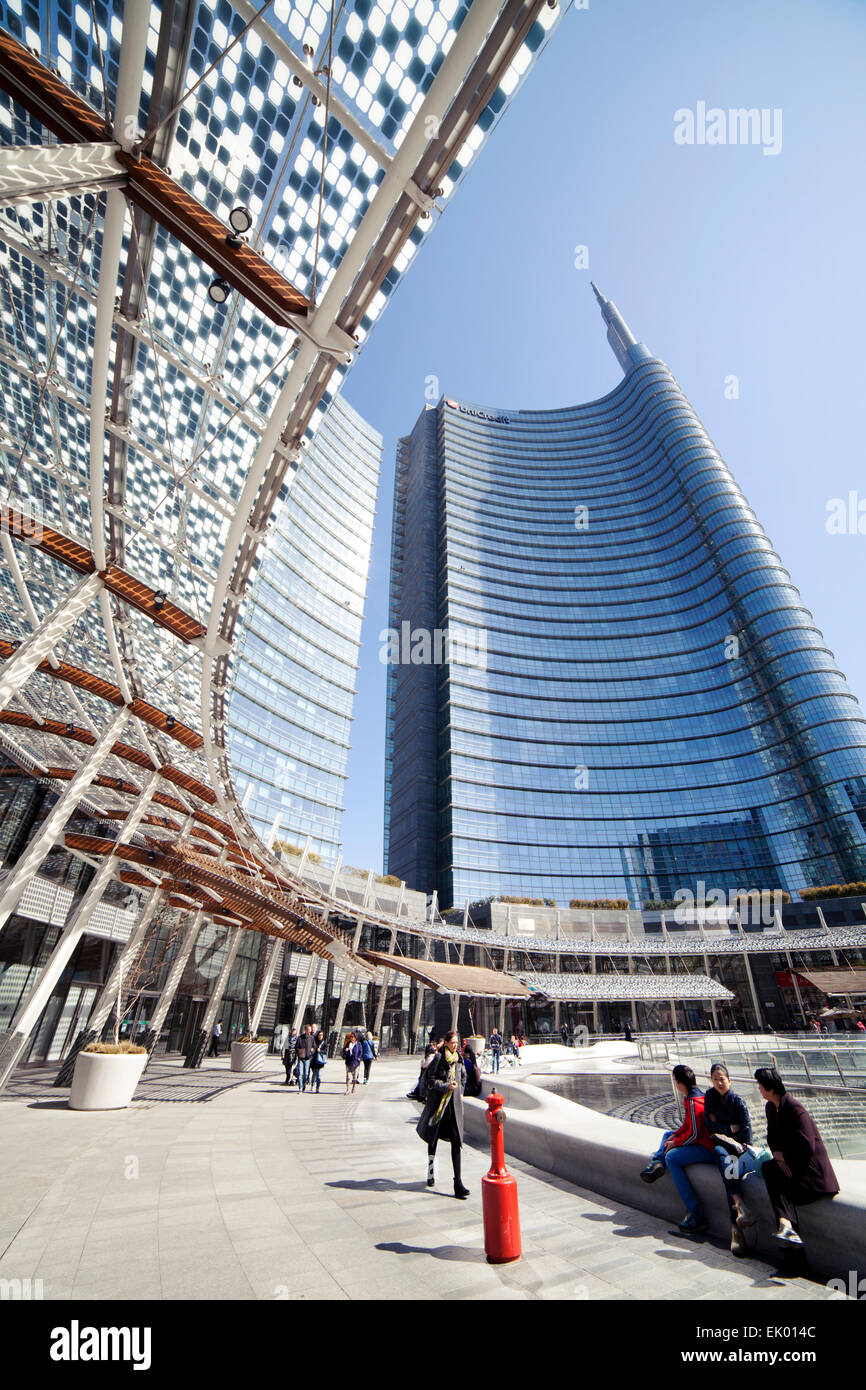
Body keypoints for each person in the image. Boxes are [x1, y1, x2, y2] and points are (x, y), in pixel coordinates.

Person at [754, 1066, 839, 1269]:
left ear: (770, 1088)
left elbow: (806, 1146)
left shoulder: (795, 1108)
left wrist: (784, 1158)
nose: (758, 1089)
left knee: (780, 1185)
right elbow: (772, 1138)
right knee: (770, 1170)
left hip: (811, 1174)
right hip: (792, 1168)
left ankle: (791, 1242)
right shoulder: (771, 1108)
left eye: (760, 1085)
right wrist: (777, 1155)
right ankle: (788, 1233)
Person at [639, 1064, 716, 1232]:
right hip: (700, 1141)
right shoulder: (692, 1097)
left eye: (675, 1080)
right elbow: (688, 1125)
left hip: (707, 1148)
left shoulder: (695, 1102)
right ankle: (657, 1162)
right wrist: (676, 1135)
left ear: (680, 1083)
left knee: (672, 1157)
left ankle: (695, 1213)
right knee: (668, 1134)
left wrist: (677, 1142)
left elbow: (694, 1134)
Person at [703, 1062, 758, 1255]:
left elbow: (745, 1136)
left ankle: (735, 1229)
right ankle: (739, 1206)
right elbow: (710, 1125)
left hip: (738, 1150)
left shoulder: (737, 1101)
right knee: (721, 1155)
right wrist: (729, 1128)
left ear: (729, 1080)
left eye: (722, 1079)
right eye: (715, 1079)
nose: (719, 1082)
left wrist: (722, 1127)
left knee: (728, 1168)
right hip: (723, 1147)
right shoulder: (709, 1096)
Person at [416, 1029, 470, 1199]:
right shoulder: (439, 1059)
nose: (455, 1045)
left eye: (456, 1042)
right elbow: (431, 1081)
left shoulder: (458, 1059)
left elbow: (464, 1077)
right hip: (440, 1108)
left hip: (454, 1109)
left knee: (456, 1143)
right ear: (446, 1043)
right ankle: (430, 1173)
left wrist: (460, 1089)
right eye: (452, 1042)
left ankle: (458, 1183)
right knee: (433, 1142)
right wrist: (446, 1086)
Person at [295, 1023, 316, 1093]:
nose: (310, 1032)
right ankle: (300, 1088)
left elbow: (314, 1046)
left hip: (307, 1058)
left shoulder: (311, 1038)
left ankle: (304, 1084)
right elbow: (296, 1047)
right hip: (301, 1058)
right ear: (306, 1030)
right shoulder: (300, 1038)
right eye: (309, 1030)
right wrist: (299, 1052)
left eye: (310, 1031)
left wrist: (311, 1052)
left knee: (306, 1074)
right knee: (300, 1073)